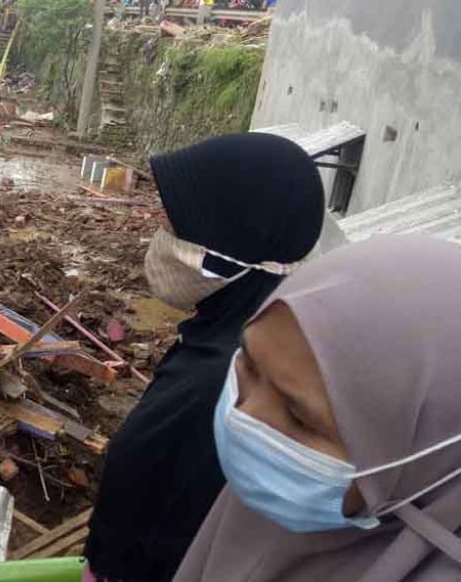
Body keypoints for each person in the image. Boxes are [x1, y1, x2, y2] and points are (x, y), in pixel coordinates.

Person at [83, 133, 326, 582]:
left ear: (234, 234)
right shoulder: (240, 330)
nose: (161, 235)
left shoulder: (230, 382)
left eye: (177, 225)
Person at [177, 234, 461, 581]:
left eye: (300, 418)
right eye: (250, 366)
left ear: (427, 454)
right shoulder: (269, 504)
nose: (243, 417)